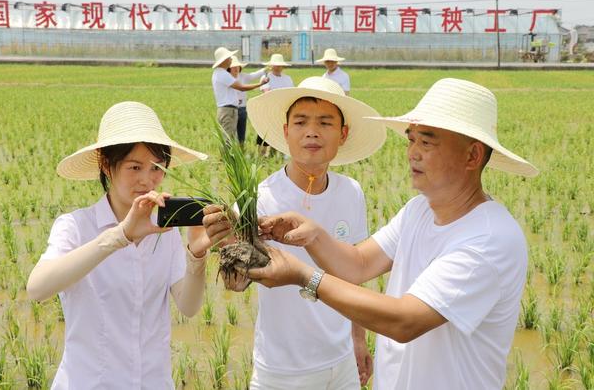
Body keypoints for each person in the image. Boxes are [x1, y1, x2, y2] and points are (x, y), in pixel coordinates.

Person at [249, 78, 540, 390]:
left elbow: (404, 321)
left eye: (427, 142)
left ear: (472, 156)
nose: (412, 153)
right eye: (411, 140)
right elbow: (358, 264)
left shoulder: (488, 239)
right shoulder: (419, 211)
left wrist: (304, 275)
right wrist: (311, 233)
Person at [203, 77, 387, 389]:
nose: (312, 131)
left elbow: (355, 274)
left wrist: (359, 340)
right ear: (286, 132)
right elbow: (236, 286)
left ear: (343, 134)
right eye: (300, 122)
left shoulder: (350, 192)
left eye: (325, 122)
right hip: (281, 370)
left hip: (341, 362)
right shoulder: (258, 198)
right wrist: (227, 246)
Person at [26, 101, 215, 389]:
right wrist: (119, 236)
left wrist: (197, 255)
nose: (147, 180)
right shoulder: (76, 226)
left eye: (157, 168)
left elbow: (188, 306)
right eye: (134, 167)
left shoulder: (164, 232)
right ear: (106, 164)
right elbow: (37, 288)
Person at [212, 47, 268, 139]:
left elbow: (251, 76)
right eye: (229, 58)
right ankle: (227, 154)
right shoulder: (223, 74)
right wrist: (260, 84)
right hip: (228, 110)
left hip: (230, 109)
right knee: (228, 140)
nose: (231, 60)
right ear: (224, 60)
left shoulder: (220, 73)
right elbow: (241, 87)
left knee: (231, 139)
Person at [256, 53, 294, 156]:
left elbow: (291, 94)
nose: (277, 67)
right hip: (268, 110)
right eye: (275, 65)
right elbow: (267, 92)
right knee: (264, 133)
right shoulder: (266, 77)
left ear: (283, 66)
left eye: (279, 65)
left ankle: (275, 155)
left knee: (279, 133)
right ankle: (261, 155)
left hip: (283, 110)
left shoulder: (288, 79)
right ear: (271, 65)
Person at [228, 55, 267, 145]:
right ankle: (231, 153)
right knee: (231, 133)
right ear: (229, 68)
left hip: (242, 108)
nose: (236, 68)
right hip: (231, 109)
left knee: (241, 132)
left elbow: (253, 75)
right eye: (233, 66)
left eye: (237, 66)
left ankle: (241, 150)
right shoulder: (227, 78)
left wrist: (265, 70)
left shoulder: (243, 77)